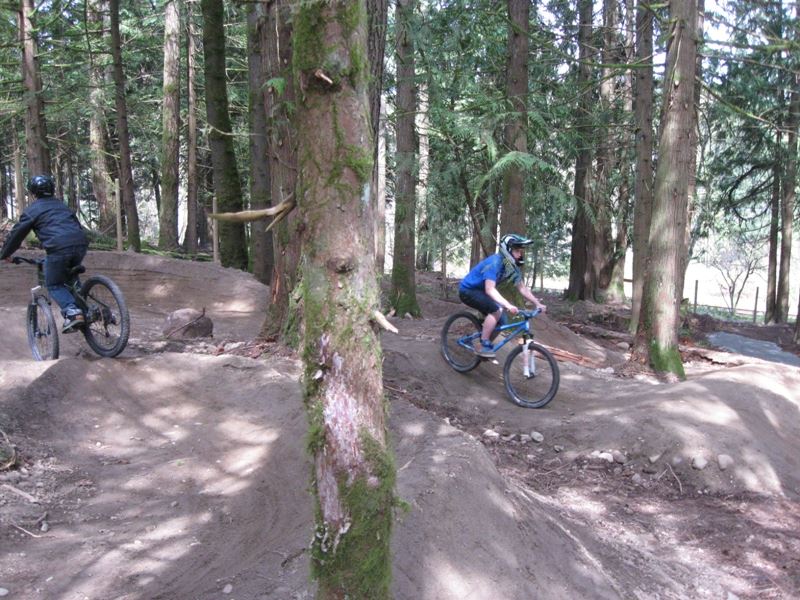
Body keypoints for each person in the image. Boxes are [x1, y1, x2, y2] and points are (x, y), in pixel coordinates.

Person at [1, 175, 89, 333]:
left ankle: (72, 312)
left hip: (58, 248)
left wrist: (4, 253)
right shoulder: (62, 206)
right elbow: (76, 226)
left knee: (54, 284)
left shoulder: (32, 210)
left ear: (33, 192)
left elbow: (16, 235)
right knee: (70, 279)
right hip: (81, 244)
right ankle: (89, 310)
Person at [458, 233, 547, 358]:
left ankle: (480, 343)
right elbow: (490, 290)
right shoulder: (495, 262)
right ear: (508, 250)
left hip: (480, 292)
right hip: (468, 290)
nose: (520, 254)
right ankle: (484, 344)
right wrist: (508, 305)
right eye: (517, 251)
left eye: (521, 251)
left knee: (502, 321)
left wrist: (537, 303)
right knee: (497, 310)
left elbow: (522, 288)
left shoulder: (510, 267)